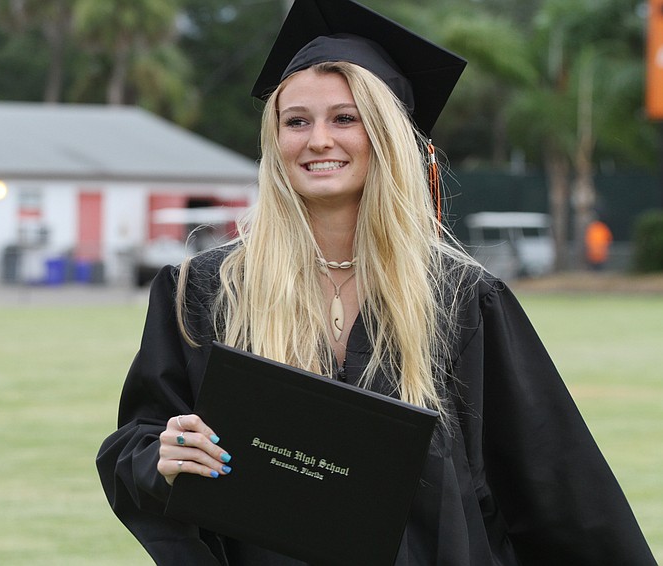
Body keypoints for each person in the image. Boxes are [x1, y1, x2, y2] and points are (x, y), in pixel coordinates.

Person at [97, 0, 656, 564]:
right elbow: (138, 445)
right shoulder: (205, 291)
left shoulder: (461, 300)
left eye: (345, 118)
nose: (318, 140)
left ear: (387, 134)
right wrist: (162, 458)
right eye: (297, 120)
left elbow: (555, 486)